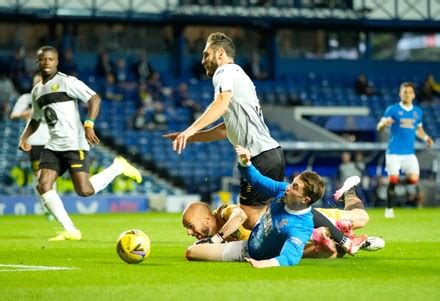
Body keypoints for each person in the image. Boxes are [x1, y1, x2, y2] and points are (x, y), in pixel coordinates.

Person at [18, 46, 143, 241]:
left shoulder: (67, 82)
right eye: (43, 59)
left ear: (57, 61)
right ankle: (70, 230)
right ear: (38, 62)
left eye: (51, 59)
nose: (47, 62)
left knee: (84, 191)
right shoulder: (36, 92)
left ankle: (118, 167)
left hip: (74, 143)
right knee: (43, 184)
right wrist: (24, 138)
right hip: (53, 146)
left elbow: (94, 98)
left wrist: (89, 124)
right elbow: (35, 119)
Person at [163, 32, 284, 229]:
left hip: (259, 156)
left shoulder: (224, 72)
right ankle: (311, 236)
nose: (203, 61)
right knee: (267, 215)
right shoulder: (239, 75)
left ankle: (313, 234)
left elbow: (220, 103)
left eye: (206, 55)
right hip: (272, 154)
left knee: (249, 219)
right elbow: (224, 130)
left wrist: (190, 129)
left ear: (220, 53)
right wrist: (191, 137)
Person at [185, 145, 325, 268]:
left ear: (305, 199)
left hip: (268, 256)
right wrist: (246, 163)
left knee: (302, 250)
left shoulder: (302, 226)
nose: (288, 187)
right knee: (192, 252)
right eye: (292, 182)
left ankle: (327, 243)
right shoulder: (282, 190)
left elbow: (290, 258)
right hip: (247, 247)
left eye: (295, 187)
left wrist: (266, 263)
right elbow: (257, 180)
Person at [377, 82, 434, 218]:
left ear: (414, 95)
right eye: (404, 92)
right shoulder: (392, 109)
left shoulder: (418, 111)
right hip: (393, 152)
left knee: (414, 180)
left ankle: (397, 180)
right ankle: (389, 209)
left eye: (410, 92)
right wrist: (384, 123)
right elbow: (379, 127)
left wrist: (426, 138)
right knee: (393, 180)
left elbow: (418, 129)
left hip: (409, 153)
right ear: (400, 93)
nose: (407, 94)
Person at [10, 73, 54, 218]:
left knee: (51, 175)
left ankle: (53, 206)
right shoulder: (26, 99)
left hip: (50, 141)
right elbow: (13, 115)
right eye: (37, 81)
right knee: (39, 177)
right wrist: (28, 112)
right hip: (34, 141)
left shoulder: (51, 99)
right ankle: (44, 207)